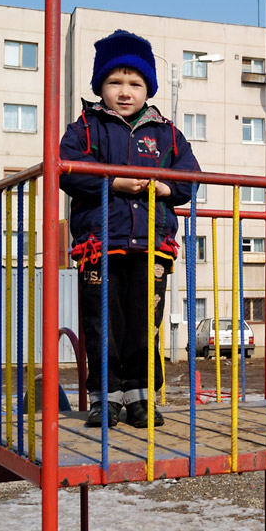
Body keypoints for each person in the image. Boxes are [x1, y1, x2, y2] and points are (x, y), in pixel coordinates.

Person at [60, 30, 200, 428]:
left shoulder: (166, 133)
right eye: (115, 82)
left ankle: (140, 398)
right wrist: (112, 183)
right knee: (103, 326)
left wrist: (164, 187)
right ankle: (106, 399)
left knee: (143, 327)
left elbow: (189, 179)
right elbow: (68, 171)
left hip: (151, 248)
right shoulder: (86, 127)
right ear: (100, 86)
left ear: (148, 88)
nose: (125, 92)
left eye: (135, 83)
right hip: (99, 245)